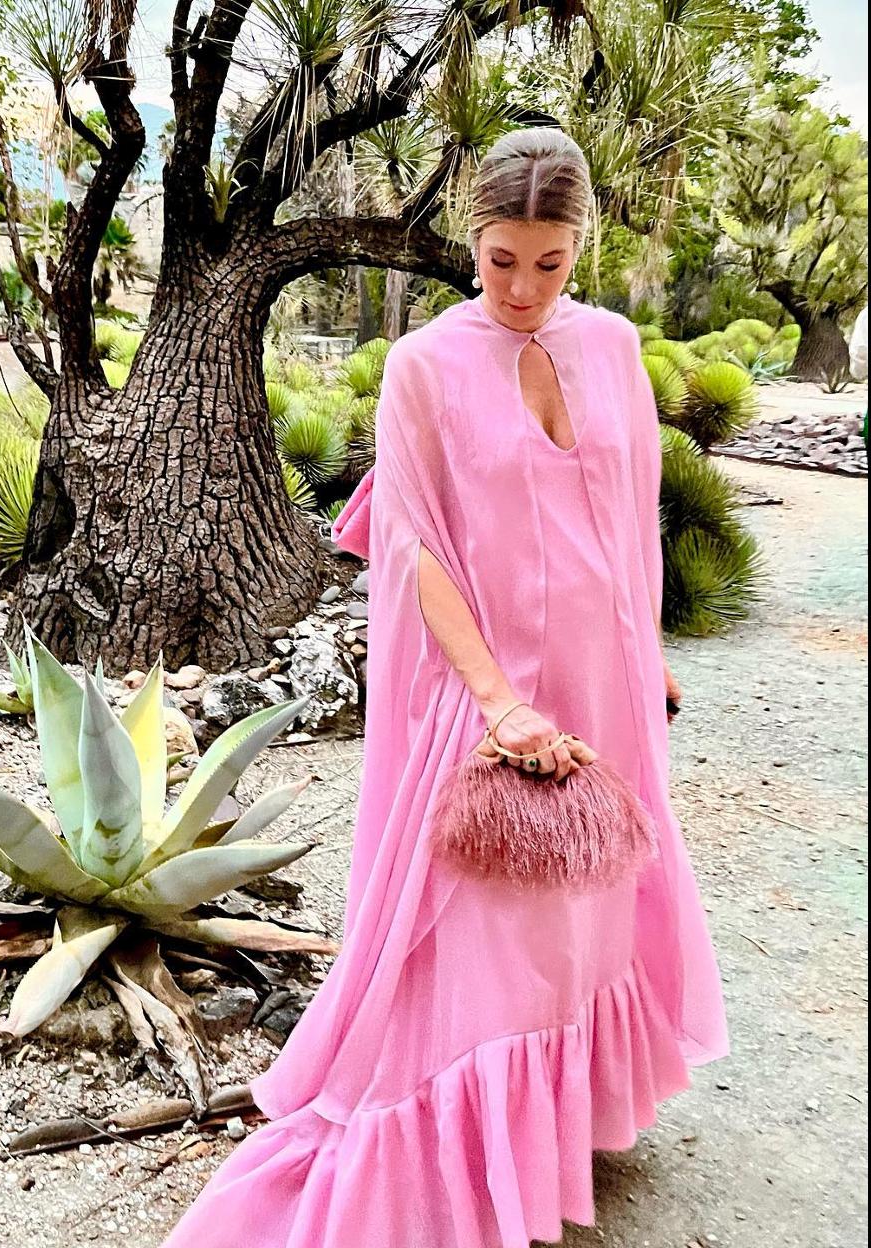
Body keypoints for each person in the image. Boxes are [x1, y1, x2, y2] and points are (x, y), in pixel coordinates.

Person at [159, 127, 728, 1248]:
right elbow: (416, 552)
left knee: (588, 908)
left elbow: (626, 519)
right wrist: (501, 703)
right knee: (486, 926)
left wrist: (643, 645)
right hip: (482, 684)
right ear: (471, 241)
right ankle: (469, 1153)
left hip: (603, 680)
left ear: (583, 247)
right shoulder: (425, 366)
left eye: (548, 262)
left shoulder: (613, 347)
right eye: (501, 258)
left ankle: (561, 1130)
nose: (521, 286)